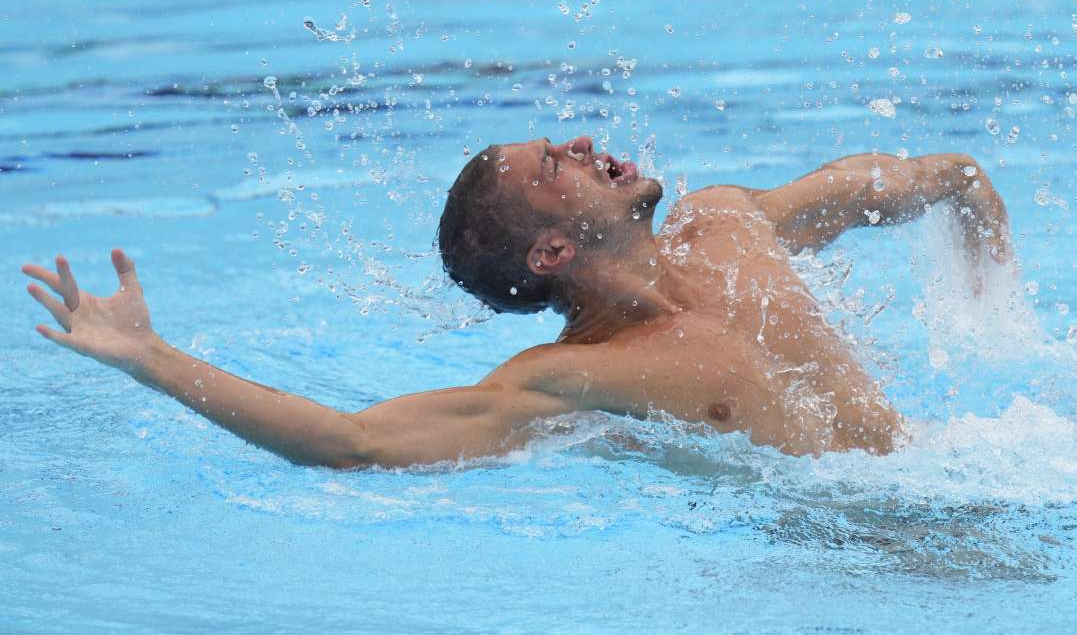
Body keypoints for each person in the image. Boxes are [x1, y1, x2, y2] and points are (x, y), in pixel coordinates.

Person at [22, 136, 1011, 468]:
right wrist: (151, 360)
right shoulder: (578, 376)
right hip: (853, 570)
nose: (583, 145)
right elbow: (352, 442)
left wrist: (968, 212)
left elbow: (879, 187)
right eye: (555, 164)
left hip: (961, 472)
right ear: (550, 247)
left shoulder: (726, 225)